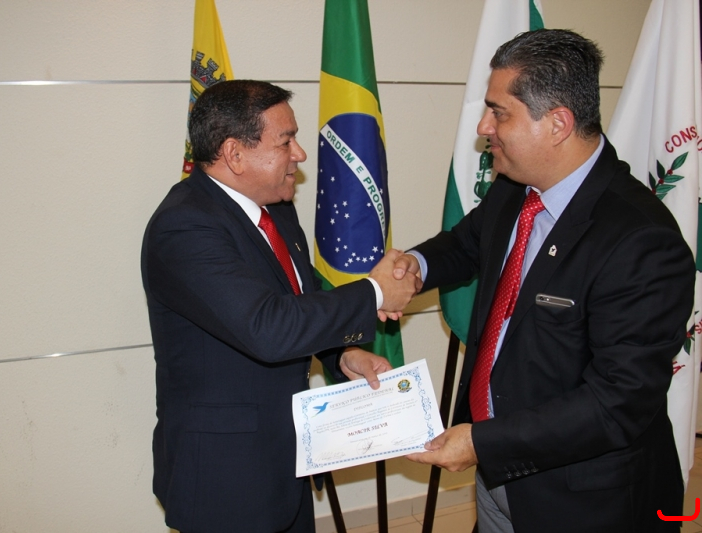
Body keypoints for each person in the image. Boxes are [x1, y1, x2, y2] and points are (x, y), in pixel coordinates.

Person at [399, 29, 695, 532]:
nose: (484, 127)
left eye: (499, 113)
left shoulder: (641, 240)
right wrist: (413, 266)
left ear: (557, 123)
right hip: (497, 477)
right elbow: (465, 244)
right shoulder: (516, 188)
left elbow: (616, 402)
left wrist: (482, 442)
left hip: (583, 499)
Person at [141, 79, 420, 533]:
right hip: (225, 477)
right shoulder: (185, 226)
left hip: (285, 460)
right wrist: (374, 292)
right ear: (235, 154)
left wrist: (341, 353)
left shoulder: (275, 208)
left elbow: (299, 299)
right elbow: (268, 328)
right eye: (286, 141)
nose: (300, 155)